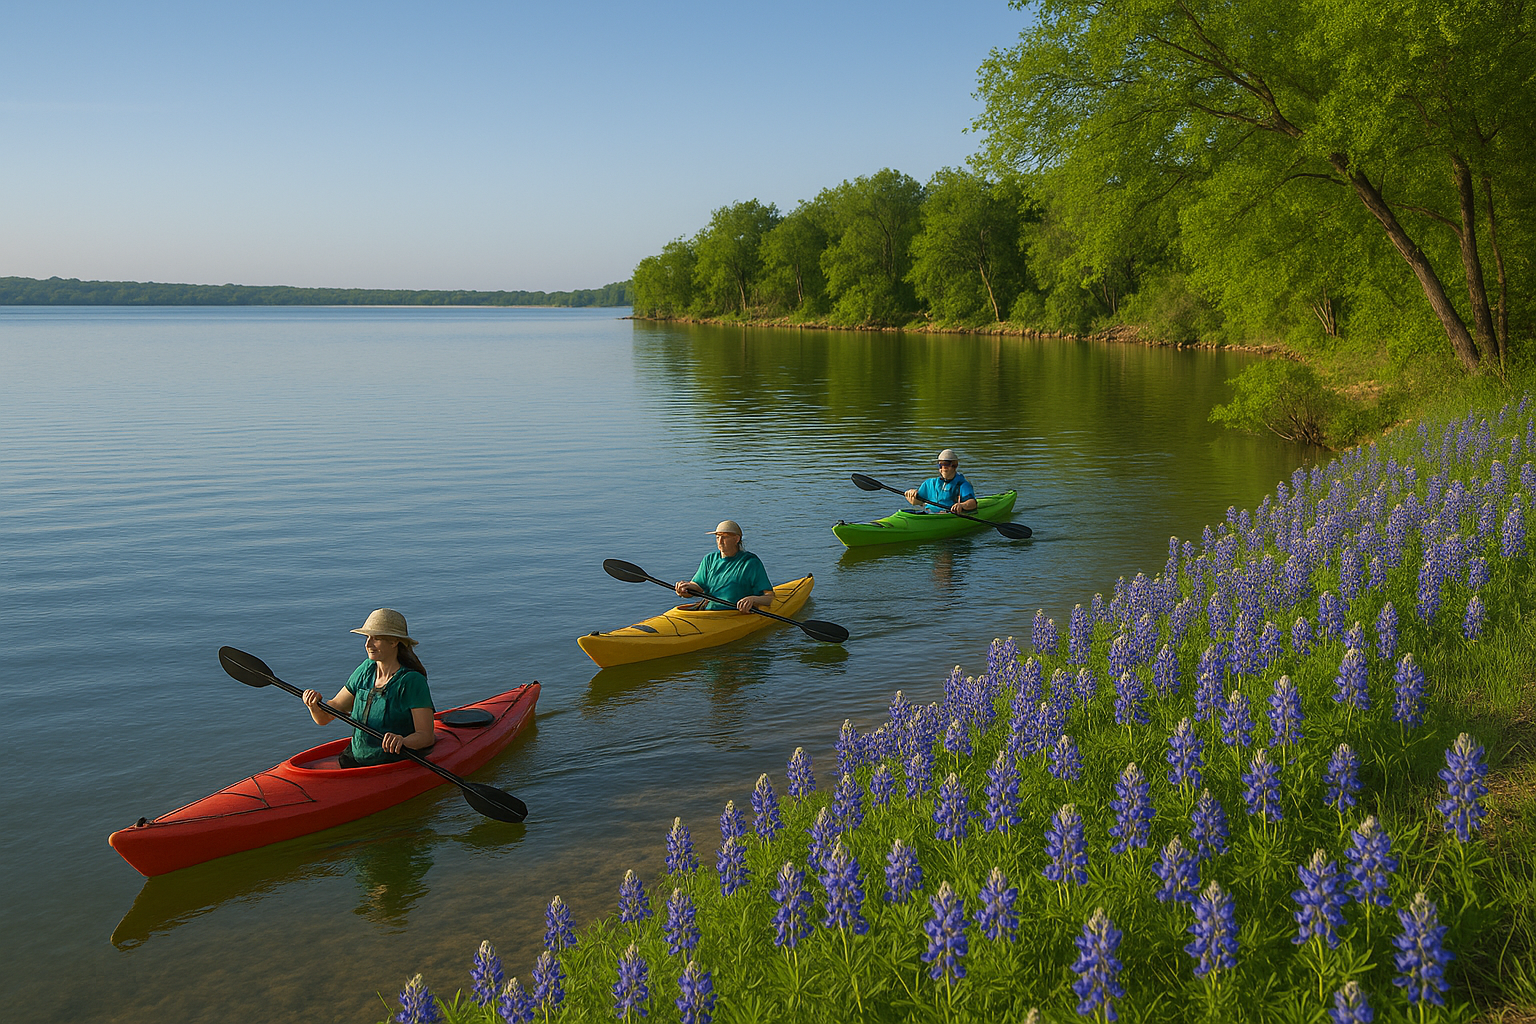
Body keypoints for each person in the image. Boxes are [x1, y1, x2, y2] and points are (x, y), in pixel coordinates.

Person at [303, 608, 435, 767]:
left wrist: (403, 740)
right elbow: (327, 716)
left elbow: (426, 736)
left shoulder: (412, 681)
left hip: (393, 761)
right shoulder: (366, 670)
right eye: (367, 637)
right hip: (356, 758)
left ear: (394, 642)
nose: (368, 644)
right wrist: (314, 706)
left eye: (376, 638)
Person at [674, 520, 775, 612]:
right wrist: (685, 588)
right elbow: (698, 587)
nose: (720, 541)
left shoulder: (750, 562)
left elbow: (769, 597)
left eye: (724, 537)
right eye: (717, 537)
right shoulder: (709, 559)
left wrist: (752, 599)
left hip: (733, 614)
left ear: (736, 539)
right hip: (708, 612)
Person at [905, 448, 977, 514]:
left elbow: (972, 503)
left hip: (947, 515)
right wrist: (911, 495)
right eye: (940, 465)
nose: (943, 468)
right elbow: (917, 502)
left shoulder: (962, 484)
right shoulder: (929, 484)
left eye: (946, 465)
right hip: (929, 514)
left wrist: (961, 505)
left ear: (955, 465)